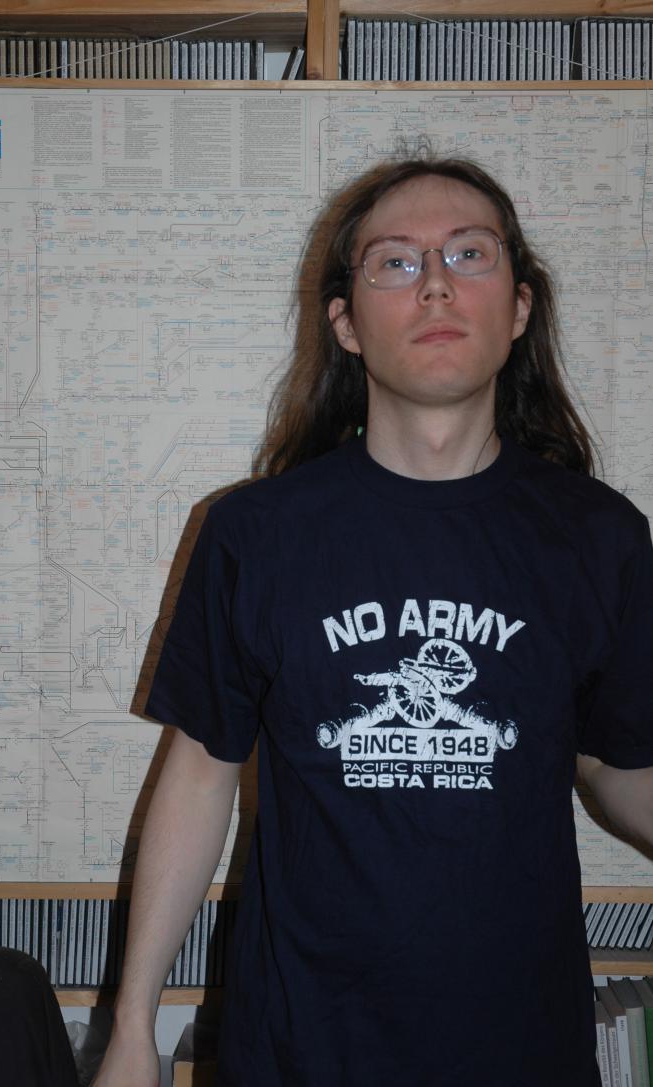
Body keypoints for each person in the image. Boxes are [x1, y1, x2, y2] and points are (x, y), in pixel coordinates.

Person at [93, 156, 653, 1087]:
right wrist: (129, 1028)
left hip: (521, 1051)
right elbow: (199, 772)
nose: (434, 282)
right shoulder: (255, 533)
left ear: (518, 307)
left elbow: (615, 763)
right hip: (299, 1051)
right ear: (346, 323)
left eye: (468, 253)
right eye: (394, 261)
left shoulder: (600, 536)